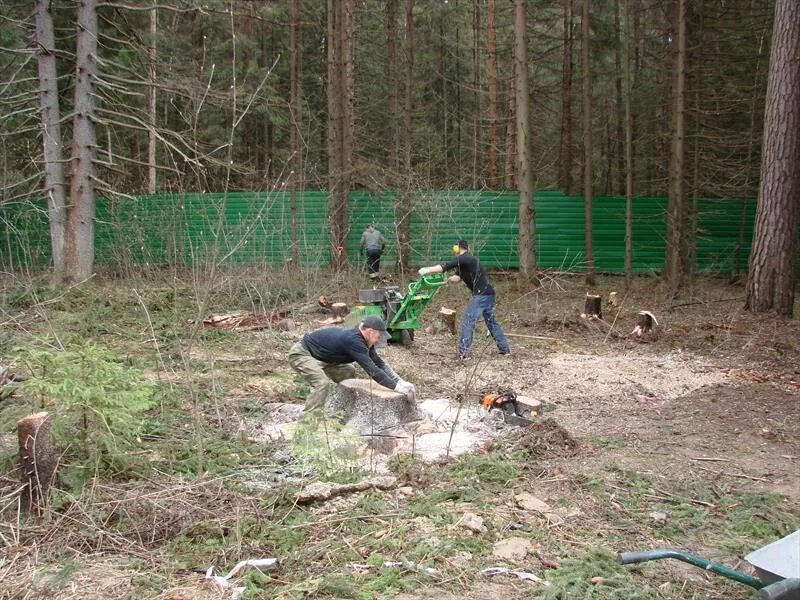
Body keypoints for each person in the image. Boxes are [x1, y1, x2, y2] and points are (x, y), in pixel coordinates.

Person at [288, 315, 416, 412]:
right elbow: (372, 370)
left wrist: (401, 382)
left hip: (325, 358)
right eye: (378, 335)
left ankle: (340, 409)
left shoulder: (365, 341)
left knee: (348, 372)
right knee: (321, 383)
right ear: (370, 331)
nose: (379, 339)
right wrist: (398, 389)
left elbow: (379, 363)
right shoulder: (354, 341)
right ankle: (307, 426)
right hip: (303, 354)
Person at [418, 239, 510, 359]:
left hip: (481, 295)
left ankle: (464, 354)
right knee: (491, 322)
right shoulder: (467, 262)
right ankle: (505, 350)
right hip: (488, 294)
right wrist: (447, 280)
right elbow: (458, 277)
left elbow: (443, 267)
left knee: (468, 321)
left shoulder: (463, 258)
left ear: (458, 247)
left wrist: (427, 270)